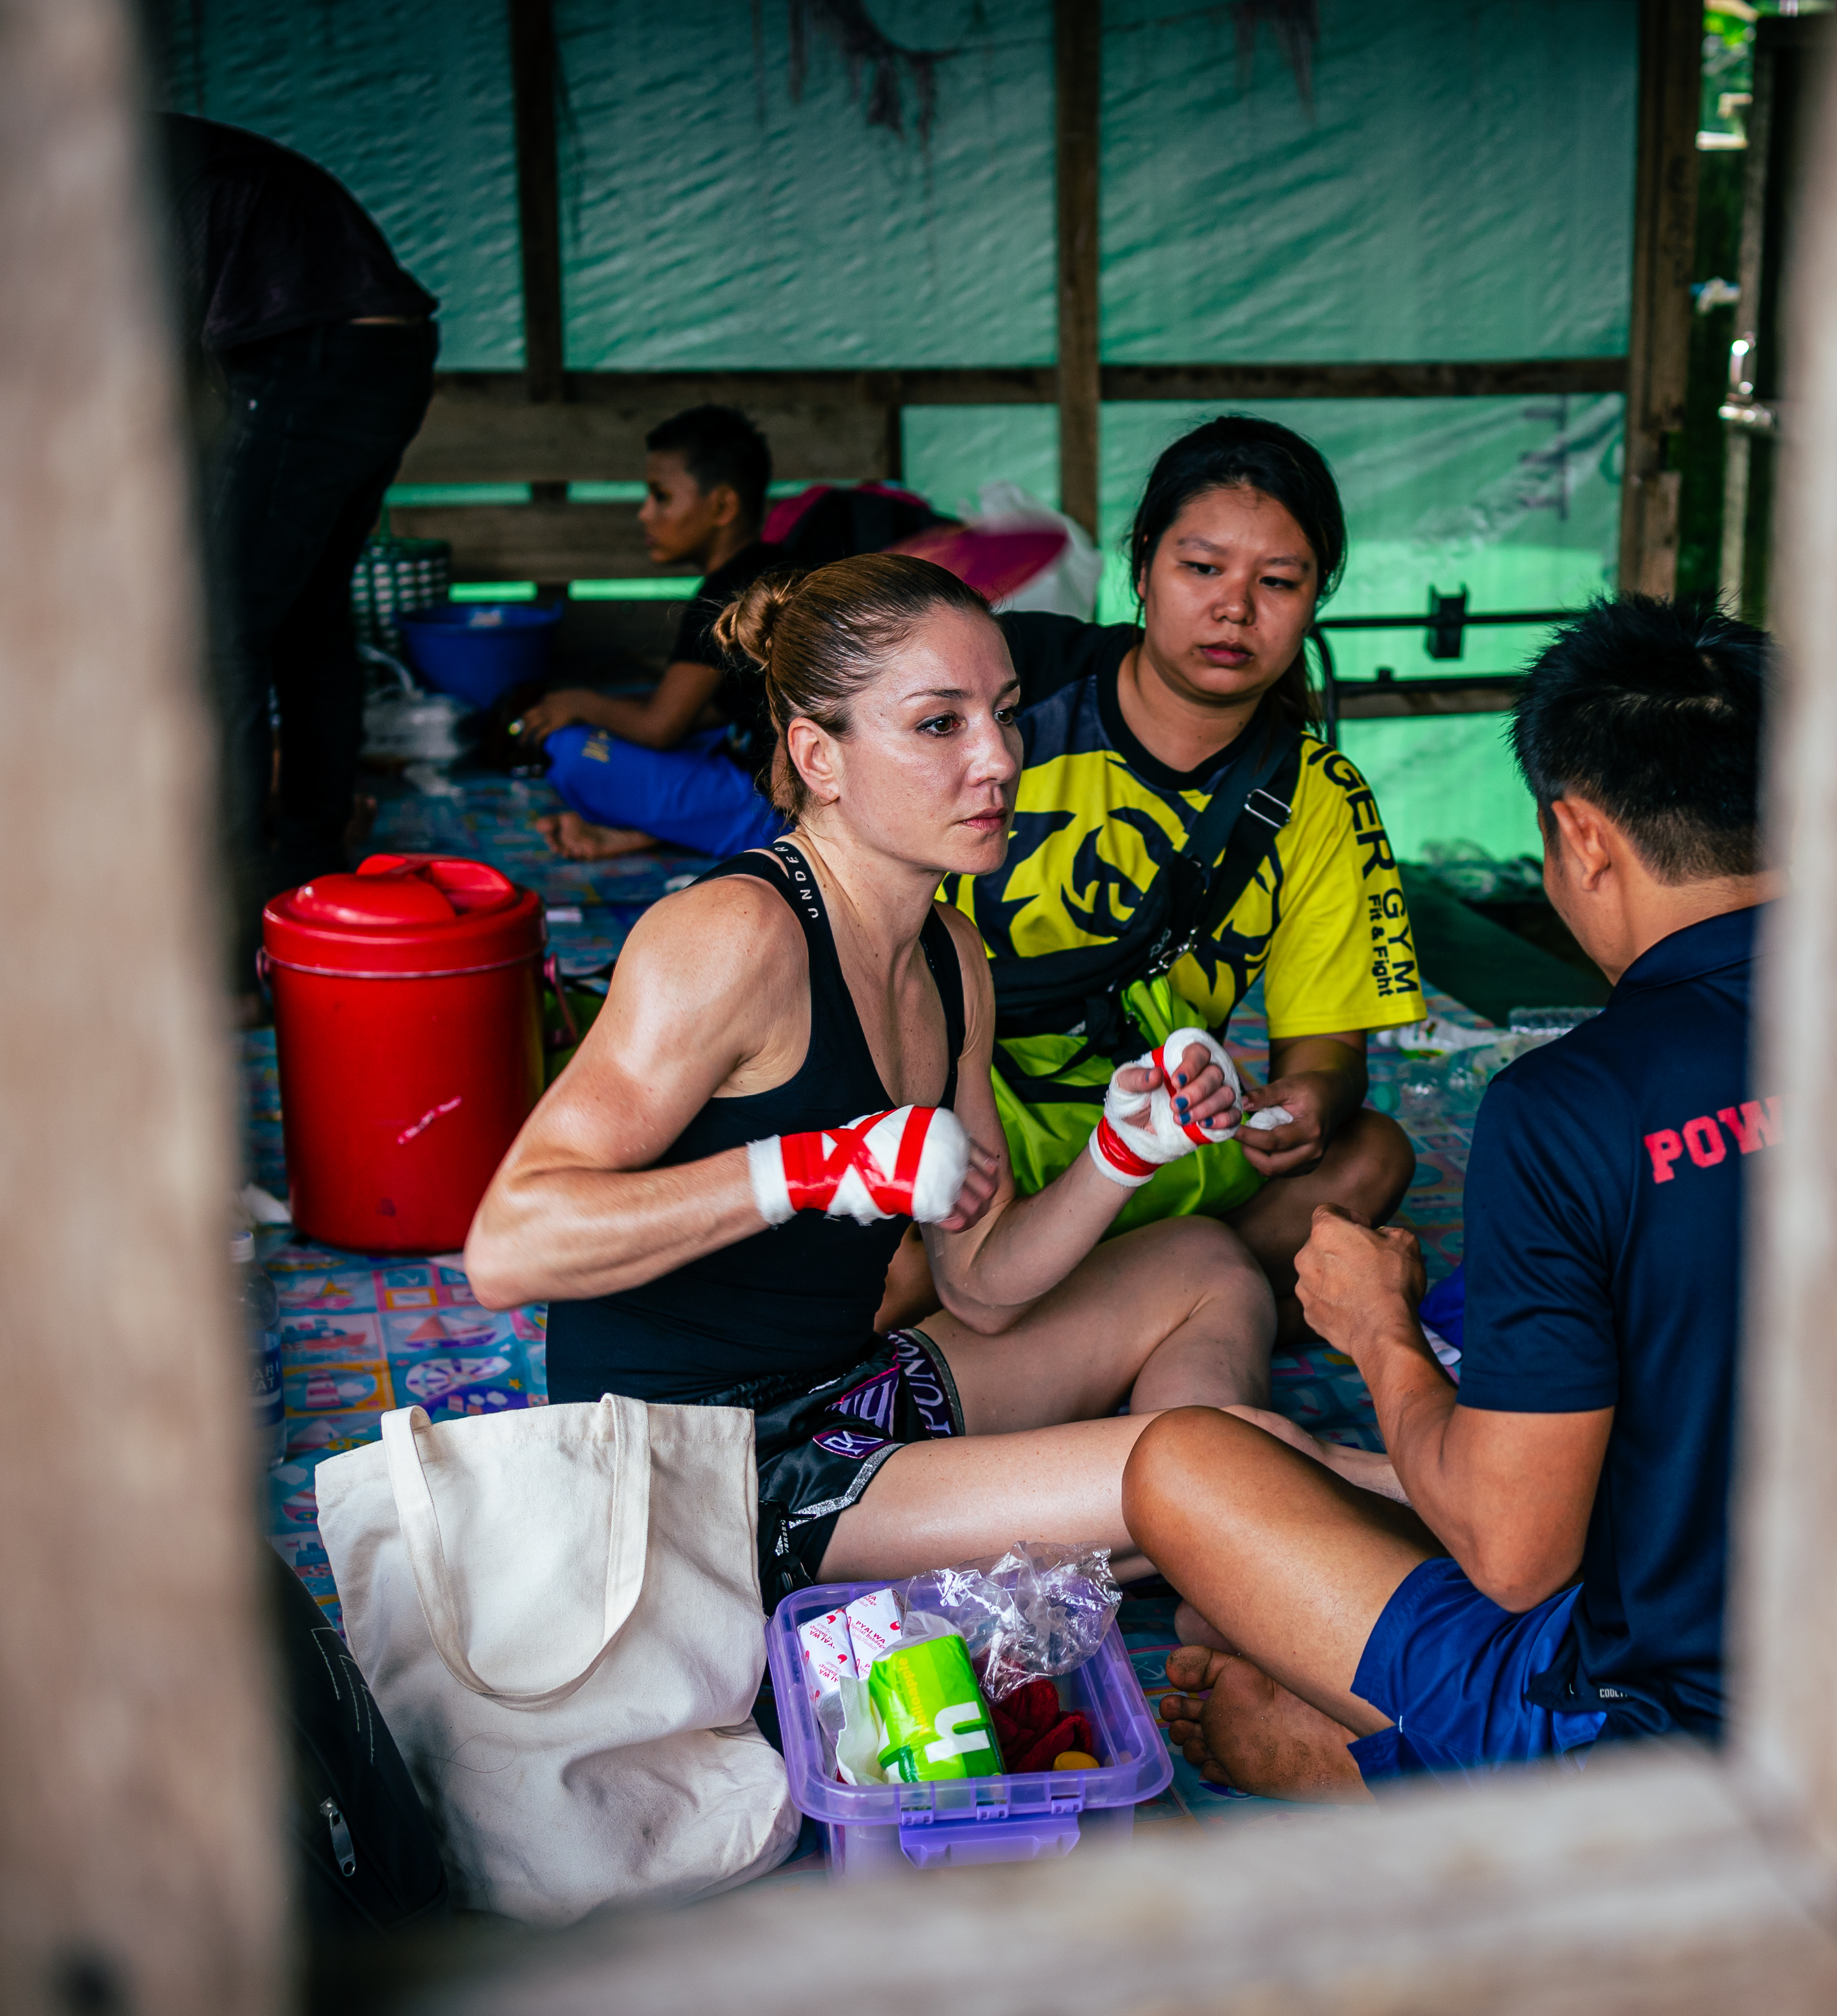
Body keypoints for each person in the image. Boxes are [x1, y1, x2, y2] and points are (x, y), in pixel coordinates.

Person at [464, 553, 1361, 1608]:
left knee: (1205, 1265)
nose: (998, 761)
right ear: (819, 757)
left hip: (847, 1396)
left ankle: (1209, 1550)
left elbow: (980, 1282)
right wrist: (813, 1167)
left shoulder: (951, 956)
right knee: (1225, 1461)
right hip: (703, 1476)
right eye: (941, 725)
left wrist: (1124, 1153)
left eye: (1007, 714)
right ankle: (1432, 1518)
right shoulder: (732, 938)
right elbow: (510, 1248)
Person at [1121, 595, 1772, 1799]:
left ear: (1580, 838)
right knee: (1299, 1500)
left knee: (1186, 1470)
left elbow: (1520, 1556)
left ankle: (1404, 1776)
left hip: (1666, 1737)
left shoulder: (1575, 1106)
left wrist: (1375, 1328)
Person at [944, 417, 1421, 1333]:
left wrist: (1306, 1103)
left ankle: (1096, 1319)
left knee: (1366, 1157)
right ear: (1142, 566)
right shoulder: (1008, 695)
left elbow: (1326, 1048)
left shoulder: (1318, 795)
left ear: (1318, 598)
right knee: (881, 1244)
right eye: (1202, 570)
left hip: (1160, 1130)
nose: (1236, 609)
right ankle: (1161, 1309)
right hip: (975, 1119)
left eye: (1278, 583)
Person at [165, 114, 440, 961]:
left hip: (316, 352)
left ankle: (235, 916)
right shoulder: (177, 156)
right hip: (390, 353)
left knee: (225, 635)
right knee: (308, 617)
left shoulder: (100, 160)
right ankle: (307, 880)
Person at [515, 405, 803, 864]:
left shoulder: (727, 593)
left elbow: (662, 727)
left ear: (723, 506)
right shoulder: (774, 565)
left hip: (774, 810)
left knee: (573, 750)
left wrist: (580, 703)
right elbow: (713, 709)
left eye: (661, 497)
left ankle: (699, 831)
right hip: (777, 774)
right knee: (625, 725)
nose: (645, 514)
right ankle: (661, 830)